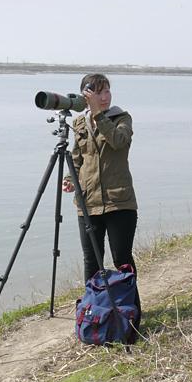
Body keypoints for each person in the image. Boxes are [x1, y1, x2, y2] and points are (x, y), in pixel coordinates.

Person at [62, 74, 139, 301]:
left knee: (121, 258)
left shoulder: (121, 118)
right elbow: (78, 157)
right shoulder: (79, 123)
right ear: (87, 95)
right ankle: (95, 308)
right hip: (88, 202)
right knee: (92, 260)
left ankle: (130, 310)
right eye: (98, 93)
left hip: (119, 201)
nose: (104, 97)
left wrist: (98, 113)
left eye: (107, 91)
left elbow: (118, 141)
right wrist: (70, 178)